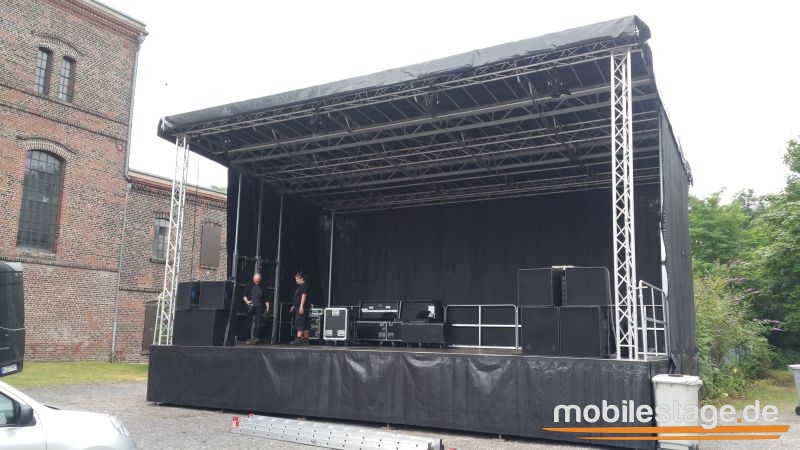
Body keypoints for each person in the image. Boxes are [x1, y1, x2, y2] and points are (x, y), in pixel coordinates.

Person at [242, 272, 269, 344]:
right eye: (255, 280)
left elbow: (266, 298)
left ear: (260, 280)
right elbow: (244, 295)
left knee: (258, 322)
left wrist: (267, 308)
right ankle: (247, 338)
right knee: (249, 322)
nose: (256, 282)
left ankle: (256, 337)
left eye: (258, 281)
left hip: (259, 306)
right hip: (250, 305)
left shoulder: (263, 286)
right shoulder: (249, 284)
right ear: (253, 279)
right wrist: (247, 302)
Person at [289, 271, 310, 345]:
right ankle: (306, 340)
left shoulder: (303, 286)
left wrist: (301, 306)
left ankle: (298, 339)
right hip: (301, 307)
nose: (296, 281)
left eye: (297, 279)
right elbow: (298, 297)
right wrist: (294, 306)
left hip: (302, 308)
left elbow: (304, 296)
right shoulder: (303, 286)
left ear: (302, 279)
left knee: (299, 322)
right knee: (305, 324)